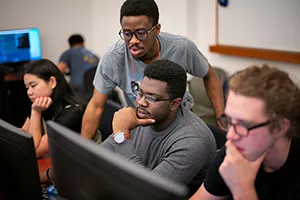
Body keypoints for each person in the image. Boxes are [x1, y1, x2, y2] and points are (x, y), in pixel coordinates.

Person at [81, 0, 224, 140]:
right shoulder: (114, 57)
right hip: (142, 125)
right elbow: (96, 106)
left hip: (181, 123)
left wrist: (221, 118)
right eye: (127, 33)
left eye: (141, 33)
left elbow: (210, 76)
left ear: (156, 30)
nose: (133, 41)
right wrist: (81, 150)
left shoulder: (181, 47)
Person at [101, 60, 217, 196]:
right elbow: (99, 156)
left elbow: (147, 193)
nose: (140, 102)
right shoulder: (141, 116)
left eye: (151, 98)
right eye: (140, 92)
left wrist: (121, 135)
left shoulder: (193, 142)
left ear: (175, 104)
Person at [190, 65, 300, 200]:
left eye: (244, 124)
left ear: (280, 127)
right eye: (230, 120)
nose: (230, 135)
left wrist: (242, 188)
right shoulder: (235, 149)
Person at [22, 59, 86, 158]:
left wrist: (36, 112)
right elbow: (23, 133)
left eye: (33, 85)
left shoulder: (72, 112)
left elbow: (34, 151)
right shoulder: (40, 102)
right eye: (27, 88)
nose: (29, 92)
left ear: (52, 82)